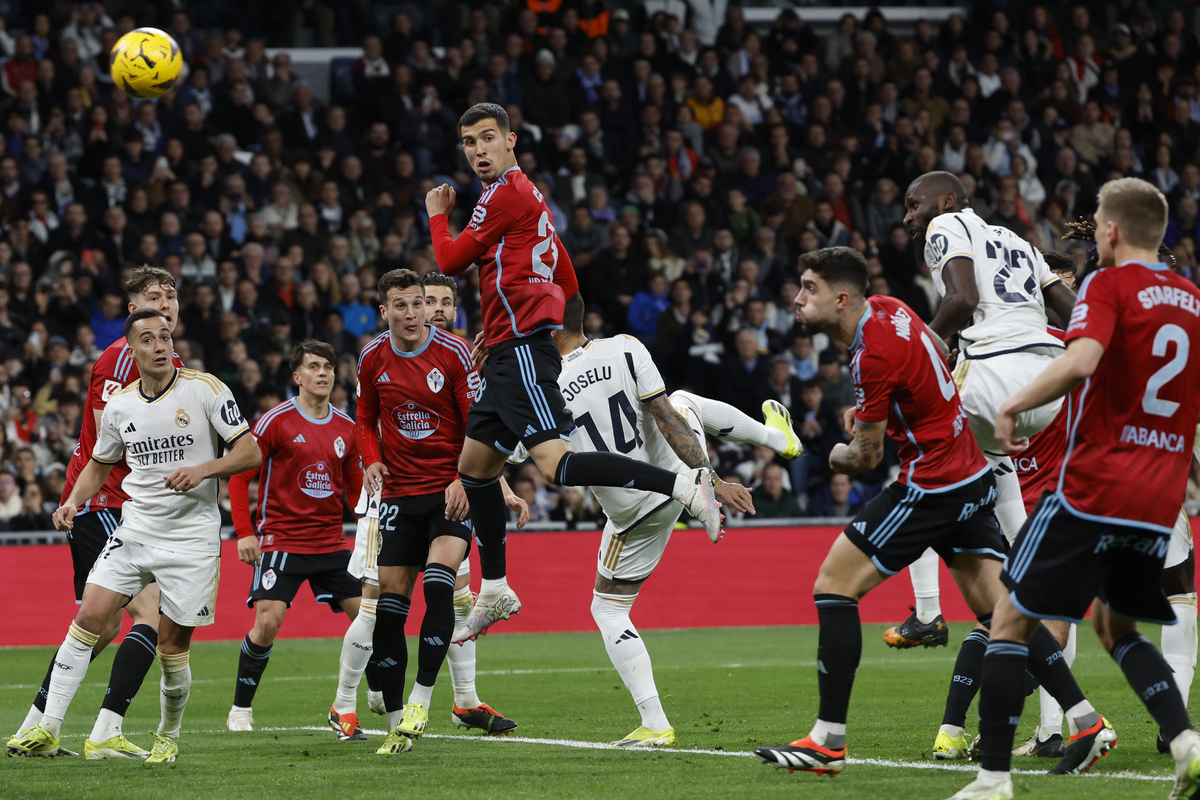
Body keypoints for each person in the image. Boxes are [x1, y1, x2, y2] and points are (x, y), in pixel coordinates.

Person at [753, 247, 1102, 779]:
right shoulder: (893, 308)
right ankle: (1087, 722)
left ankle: (827, 740)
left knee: (833, 586)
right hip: (970, 473)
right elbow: (931, 366)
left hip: (935, 483)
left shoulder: (871, 350)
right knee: (999, 614)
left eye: (808, 288)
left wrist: (830, 450)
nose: (798, 299)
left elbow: (865, 458)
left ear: (841, 298)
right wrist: (880, 409)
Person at [425, 103, 723, 642]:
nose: (477, 150)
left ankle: (684, 486)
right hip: (507, 349)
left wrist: (435, 212)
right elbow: (563, 271)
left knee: (555, 466)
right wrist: (519, 318)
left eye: (487, 138)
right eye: (468, 142)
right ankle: (494, 590)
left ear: (511, 139)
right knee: (475, 469)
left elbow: (448, 261)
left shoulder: (502, 195)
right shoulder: (532, 196)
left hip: (521, 352)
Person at [949, 178, 1200, 799]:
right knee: (1116, 630)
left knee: (1008, 619)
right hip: (1158, 491)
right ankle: (1187, 743)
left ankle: (993, 781)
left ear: (1110, 232)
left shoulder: (1106, 285)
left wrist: (1015, 404)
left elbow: (1082, 358)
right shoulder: (1191, 299)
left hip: (1095, 481)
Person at [518, 293, 795, 746]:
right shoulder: (626, 346)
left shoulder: (543, 386)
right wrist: (711, 478)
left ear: (546, 330)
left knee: (608, 609)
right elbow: (665, 419)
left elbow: (525, 458)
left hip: (633, 510)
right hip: (677, 476)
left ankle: (654, 721)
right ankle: (773, 438)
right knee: (682, 402)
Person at [9, 309, 260, 762]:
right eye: (148, 339)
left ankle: (168, 734)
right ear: (132, 348)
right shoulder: (120, 405)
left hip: (191, 540)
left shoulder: (206, 389)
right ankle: (46, 728)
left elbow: (249, 451)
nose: (160, 345)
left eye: (165, 336)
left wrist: (203, 469)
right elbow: (100, 464)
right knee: (89, 617)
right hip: (137, 528)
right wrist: (72, 501)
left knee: (173, 649)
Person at [893, 170, 1081, 760]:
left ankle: (927, 612)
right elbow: (1071, 309)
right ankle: (1064, 716)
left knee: (913, 448)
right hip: (1046, 383)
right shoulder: (1022, 241)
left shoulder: (949, 224)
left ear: (947, 200)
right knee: (1008, 525)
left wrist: (917, 353)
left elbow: (963, 299)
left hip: (994, 371)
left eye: (913, 203)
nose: (908, 217)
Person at [6, 266, 184, 760]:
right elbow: (113, 435)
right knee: (153, 614)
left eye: (171, 296)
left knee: (100, 625)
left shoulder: (173, 363)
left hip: (134, 506)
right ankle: (106, 731)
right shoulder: (117, 358)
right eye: (154, 296)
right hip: (101, 500)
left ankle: (33, 727)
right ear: (133, 311)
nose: (165, 303)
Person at [338, 271, 525, 738]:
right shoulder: (371, 357)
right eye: (400, 305)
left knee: (443, 587)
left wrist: (471, 480)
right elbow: (364, 421)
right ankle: (392, 718)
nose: (412, 313)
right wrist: (372, 460)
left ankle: (425, 699)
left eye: (418, 303)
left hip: (449, 493)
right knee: (384, 610)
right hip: (399, 495)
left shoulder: (455, 352)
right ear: (384, 311)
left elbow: (477, 423)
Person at [223, 340, 363, 736]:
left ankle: (363, 700)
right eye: (314, 366)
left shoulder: (347, 428)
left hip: (331, 545)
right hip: (281, 541)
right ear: (297, 377)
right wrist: (245, 532)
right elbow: (239, 476)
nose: (323, 373)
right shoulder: (274, 422)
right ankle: (241, 709)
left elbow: (354, 491)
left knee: (370, 620)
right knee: (268, 622)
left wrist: (374, 528)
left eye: (329, 367)